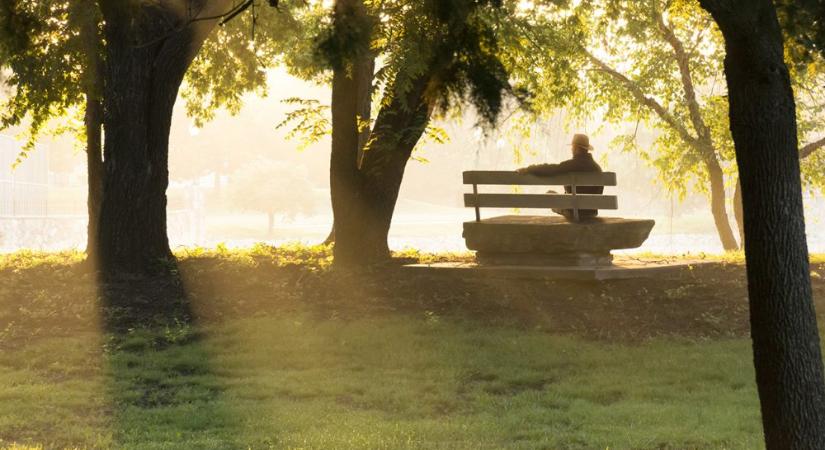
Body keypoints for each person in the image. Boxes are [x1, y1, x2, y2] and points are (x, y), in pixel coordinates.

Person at [517, 133, 603, 220]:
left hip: (572, 212)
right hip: (591, 213)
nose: (571, 150)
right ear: (586, 149)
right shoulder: (597, 168)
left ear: (576, 148)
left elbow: (551, 169)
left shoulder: (572, 165)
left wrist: (529, 169)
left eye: (572, 147)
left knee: (549, 195)